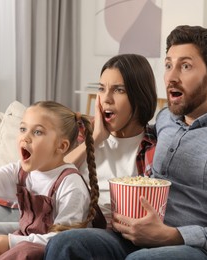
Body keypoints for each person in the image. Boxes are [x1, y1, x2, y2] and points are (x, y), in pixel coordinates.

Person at [44, 25, 207, 260]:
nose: (172, 77)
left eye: (185, 66)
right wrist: (101, 133)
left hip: (199, 251)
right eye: (168, 65)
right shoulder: (167, 118)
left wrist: (173, 235)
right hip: (139, 240)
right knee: (66, 244)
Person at [0, 101, 104, 259]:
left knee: (21, 251)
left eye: (37, 132)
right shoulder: (20, 171)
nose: (26, 137)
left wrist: (11, 242)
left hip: (45, 250)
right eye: (23, 129)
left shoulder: (70, 185)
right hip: (22, 240)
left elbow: (63, 240)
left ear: (61, 146)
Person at [64, 53, 157, 223]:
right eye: (101, 89)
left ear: (140, 96)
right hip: (64, 221)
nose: (106, 99)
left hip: (110, 232)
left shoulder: (154, 146)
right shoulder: (82, 130)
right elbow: (50, 175)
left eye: (119, 90)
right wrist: (97, 137)